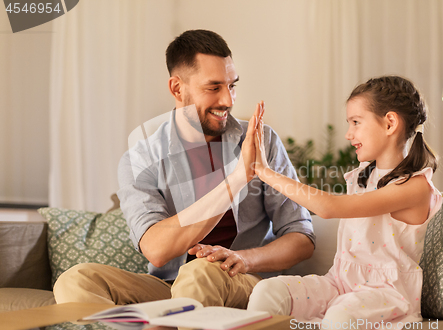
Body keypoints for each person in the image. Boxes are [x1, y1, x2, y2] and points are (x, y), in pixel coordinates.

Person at [53, 29, 315, 308]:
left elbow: (301, 237)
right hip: (169, 286)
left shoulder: (261, 141)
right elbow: (156, 249)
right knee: (75, 280)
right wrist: (238, 179)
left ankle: (164, 325)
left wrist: (245, 259)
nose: (228, 100)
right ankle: (168, 323)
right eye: (214, 88)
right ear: (177, 88)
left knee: (199, 273)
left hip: (242, 280)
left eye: (232, 85)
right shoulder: (142, 158)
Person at [247, 76, 443, 330]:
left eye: (356, 123)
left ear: (390, 123)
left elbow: (330, 207)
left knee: (341, 316)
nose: (349, 134)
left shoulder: (414, 186)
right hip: (340, 283)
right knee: (268, 291)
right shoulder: (363, 176)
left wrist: (263, 171)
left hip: (386, 294)